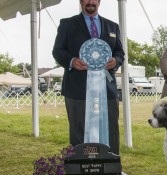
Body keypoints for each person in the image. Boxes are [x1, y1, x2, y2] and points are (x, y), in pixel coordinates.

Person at [52, 0, 124, 155]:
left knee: (111, 129)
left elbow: (119, 52)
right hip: (76, 90)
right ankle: (81, 168)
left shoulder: (113, 26)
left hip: (107, 90)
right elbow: (57, 51)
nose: (90, 2)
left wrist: (115, 61)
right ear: (81, 1)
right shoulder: (67, 24)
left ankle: (111, 167)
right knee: (79, 133)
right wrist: (72, 60)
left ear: (99, 2)